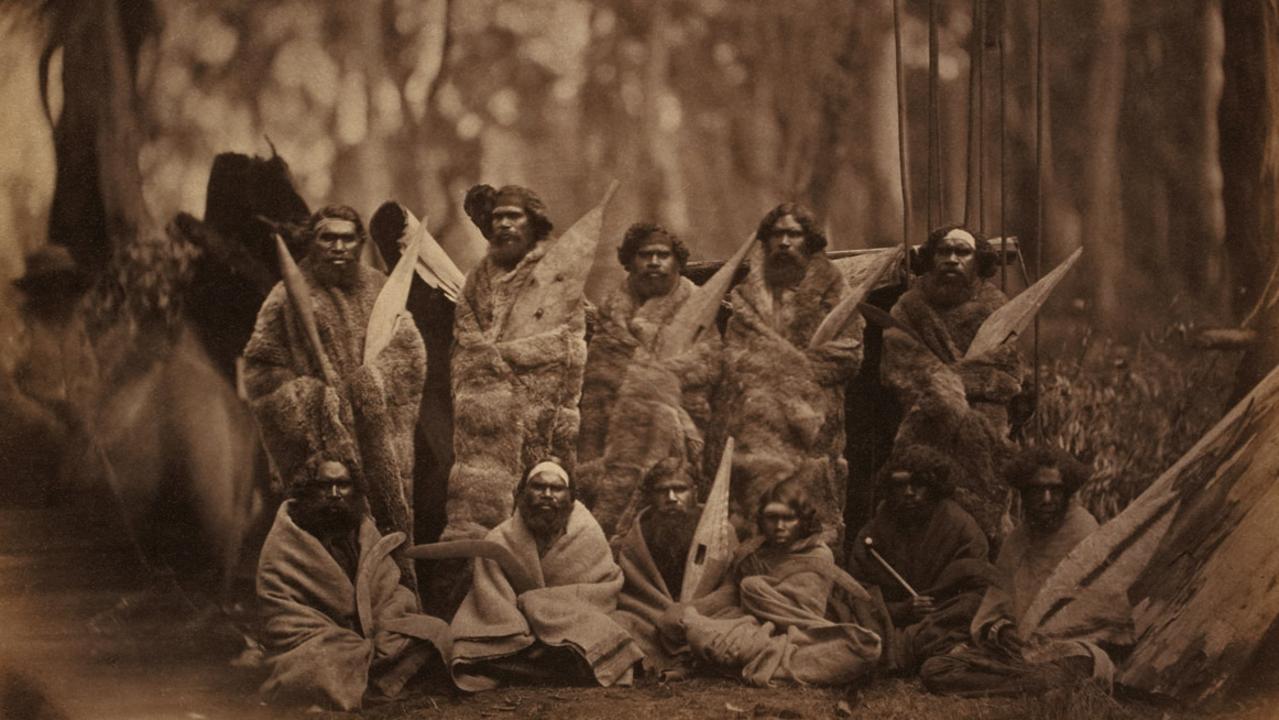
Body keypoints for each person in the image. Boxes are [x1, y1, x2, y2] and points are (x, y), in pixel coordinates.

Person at [243, 206, 425, 585]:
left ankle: (394, 614)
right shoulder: (284, 298)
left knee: (390, 542)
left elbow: (410, 352)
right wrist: (314, 401)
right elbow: (260, 370)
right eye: (328, 238)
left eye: (347, 238)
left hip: (381, 444)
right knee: (326, 547)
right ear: (313, 242)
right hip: (320, 455)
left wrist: (371, 382)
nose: (338, 247)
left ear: (359, 243)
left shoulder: (380, 289)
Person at [920, 447, 1129, 696]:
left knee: (1079, 662)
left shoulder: (1084, 531)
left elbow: (1107, 615)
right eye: (1037, 490)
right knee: (935, 669)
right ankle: (1032, 685)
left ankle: (1033, 682)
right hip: (1019, 651)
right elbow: (994, 608)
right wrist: (1003, 631)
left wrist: (1054, 639)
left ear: (1068, 492)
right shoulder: (1016, 541)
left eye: (1055, 489)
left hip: (1070, 649)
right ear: (1023, 493)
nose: (1047, 498)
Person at [446, 185, 588, 541]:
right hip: (483, 417)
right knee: (479, 507)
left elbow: (569, 344)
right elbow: (465, 333)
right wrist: (483, 366)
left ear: (534, 222)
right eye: (497, 217)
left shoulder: (557, 274)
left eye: (514, 216)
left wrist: (504, 355)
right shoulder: (477, 277)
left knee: (543, 503)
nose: (504, 225)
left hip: (542, 415)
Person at [256, 459, 450, 711]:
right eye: (325, 485)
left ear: (354, 489)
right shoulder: (286, 540)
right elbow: (281, 611)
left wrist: (383, 624)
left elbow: (390, 588)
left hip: (372, 636)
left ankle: (367, 679)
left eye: (343, 485)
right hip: (320, 640)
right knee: (317, 663)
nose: (335, 494)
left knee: (434, 630)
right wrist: (341, 638)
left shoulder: (363, 532)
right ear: (309, 489)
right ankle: (375, 684)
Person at [720, 203, 862, 544]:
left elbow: (849, 353)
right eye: (776, 234)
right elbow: (735, 358)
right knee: (759, 517)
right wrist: (789, 367)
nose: (784, 242)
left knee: (817, 520)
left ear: (808, 241)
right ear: (765, 242)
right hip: (760, 428)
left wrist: (781, 370)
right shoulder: (746, 298)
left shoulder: (834, 291)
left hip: (814, 427)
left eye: (793, 234)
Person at [881, 225, 1028, 538]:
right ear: (932, 259)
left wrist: (950, 382)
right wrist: (943, 392)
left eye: (962, 252)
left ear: (978, 261)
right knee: (920, 503)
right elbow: (900, 366)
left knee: (983, 508)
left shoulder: (998, 307)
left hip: (984, 424)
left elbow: (1007, 373)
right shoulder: (909, 307)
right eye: (943, 251)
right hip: (925, 421)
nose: (951, 259)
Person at [449, 461, 644, 691]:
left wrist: (540, 605)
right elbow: (491, 596)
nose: (547, 495)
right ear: (521, 494)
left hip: (573, 628)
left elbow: (604, 588)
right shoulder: (499, 539)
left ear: (571, 499)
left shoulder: (589, 536)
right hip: (517, 634)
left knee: (615, 627)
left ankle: (544, 666)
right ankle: (546, 667)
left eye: (557, 488)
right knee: (468, 649)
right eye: (538, 487)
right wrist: (522, 627)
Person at [577, 223, 720, 535]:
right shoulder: (613, 306)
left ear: (677, 262)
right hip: (611, 431)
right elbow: (598, 380)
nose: (654, 261)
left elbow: (708, 362)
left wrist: (650, 378)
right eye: (645, 255)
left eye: (662, 255)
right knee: (606, 505)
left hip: (675, 427)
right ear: (630, 261)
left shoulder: (697, 305)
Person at [673, 480, 882, 687]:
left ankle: (746, 659)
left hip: (801, 635)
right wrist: (691, 610)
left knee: (861, 649)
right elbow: (728, 592)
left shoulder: (818, 555)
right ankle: (757, 660)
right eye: (772, 518)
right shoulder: (751, 551)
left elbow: (802, 612)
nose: (779, 526)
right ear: (762, 520)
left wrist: (754, 589)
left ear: (802, 520)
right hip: (746, 627)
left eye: (788, 518)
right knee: (694, 626)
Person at [848, 445, 993, 674]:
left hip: (942, 618)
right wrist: (903, 610)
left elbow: (978, 586)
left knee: (971, 606)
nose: (908, 492)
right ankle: (928, 650)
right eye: (899, 485)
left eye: (918, 484)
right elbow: (858, 592)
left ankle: (902, 651)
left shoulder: (960, 526)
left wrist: (939, 607)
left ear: (935, 487)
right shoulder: (874, 532)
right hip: (892, 624)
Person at [1, 245, 98, 505]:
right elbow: (4, 386)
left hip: (73, 419)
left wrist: (82, 404)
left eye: (64, 285)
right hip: (28, 422)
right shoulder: (21, 326)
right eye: (50, 285)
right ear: (37, 290)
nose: (59, 294)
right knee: (52, 444)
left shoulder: (75, 329)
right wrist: (40, 418)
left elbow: (90, 373)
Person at [611, 459, 708, 677]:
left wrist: (690, 611)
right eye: (663, 491)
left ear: (695, 492)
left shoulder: (718, 530)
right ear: (651, 496)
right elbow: (633, 590)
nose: (671, 498)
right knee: (618, 623)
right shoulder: (638, 536)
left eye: (680, 489)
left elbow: (727, 586)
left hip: (704, 614)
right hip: (651, 617)